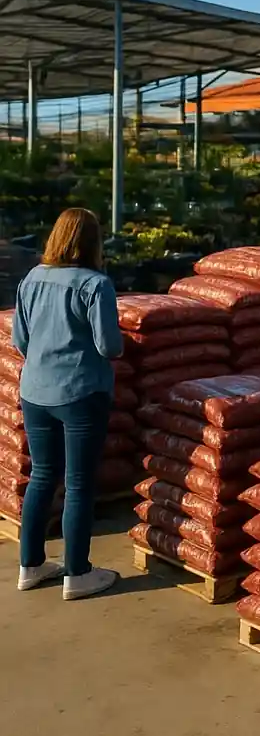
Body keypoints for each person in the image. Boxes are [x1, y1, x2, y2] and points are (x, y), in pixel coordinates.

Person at [12, 208, 123, 600]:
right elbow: (110, 346)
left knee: (42, 475)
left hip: (35, 391)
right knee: (77, 484)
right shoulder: (95, 285)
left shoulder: (32, 279)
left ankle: (31, 565)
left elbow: (20, 342)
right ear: (93, 242)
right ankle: (77, 573)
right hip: (80, 392)